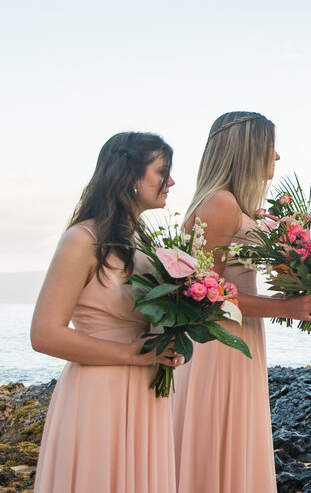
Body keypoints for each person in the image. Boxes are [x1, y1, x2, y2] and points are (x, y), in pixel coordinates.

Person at [172, 112, 311, 493]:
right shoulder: (219, 204)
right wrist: (285, 308)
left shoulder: (236, 206)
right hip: (218, 344)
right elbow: (207, 294)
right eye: (270, 147)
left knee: (232, 444)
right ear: (248, 149)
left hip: (240, 337)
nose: (276, 157)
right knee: (215, 446)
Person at [31, 131, 181, 493]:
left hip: (147, 391)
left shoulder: (143, 242)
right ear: (129, 176)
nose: (171, 181)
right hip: (101, 394)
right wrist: (133, 355)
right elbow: (45, 334)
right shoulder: (82, 240)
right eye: (163, 171)